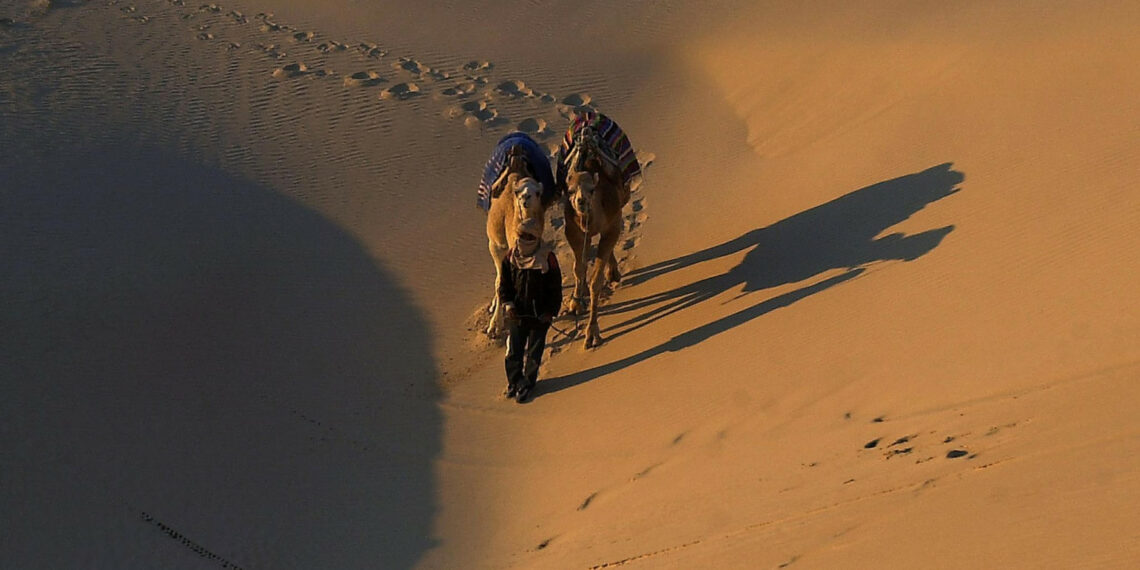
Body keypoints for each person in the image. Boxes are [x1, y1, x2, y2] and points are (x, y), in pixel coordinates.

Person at [498, 220, 562, 402]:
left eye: (530, 236)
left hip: (539, 316)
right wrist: (508, 305)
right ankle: (514, 381)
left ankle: (527, 383)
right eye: (522, 236)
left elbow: (555, 288)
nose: (526, 239)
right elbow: (504, 285)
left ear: (536, 237)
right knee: (514, 351)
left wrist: (550, 312)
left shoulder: (547, 258)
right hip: (517, 314)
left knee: (534, 352)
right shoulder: (511, 257)